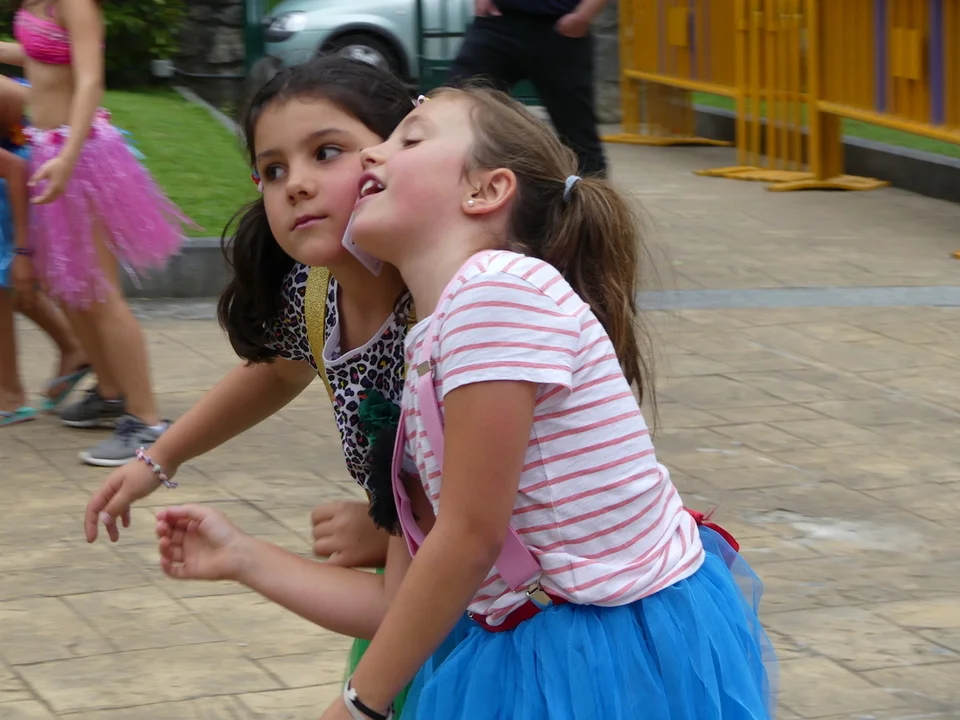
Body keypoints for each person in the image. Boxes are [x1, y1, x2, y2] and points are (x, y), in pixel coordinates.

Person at [154, 88, 777, 720]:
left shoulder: (494, 293)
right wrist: (243, 555)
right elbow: (423, 578)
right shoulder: (437, 331)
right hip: (544, 635)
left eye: (409, 139)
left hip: (602, 648)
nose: (372, 154)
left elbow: (469, 537)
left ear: (485, 191)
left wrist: (358, 705)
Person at [84, 56, 422, 713]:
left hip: (509, 617)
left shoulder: (444, 314)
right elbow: (276, 371)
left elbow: (470, 536)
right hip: (421, 584)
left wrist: (388, 532)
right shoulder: (316, 292)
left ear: (402, 152)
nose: (296, 185)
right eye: (273, 169)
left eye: (326, 152)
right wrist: (159, 457)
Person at [0, 0, 192, 464]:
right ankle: (110, 392)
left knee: (101, 293)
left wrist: (68, 158)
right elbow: (38, 54)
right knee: (71, 290)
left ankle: (146, 422)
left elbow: (90, 80)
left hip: (81, 155)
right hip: (49, 151)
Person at [0, 73, 89, 426]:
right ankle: (73, 347)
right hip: (22, 161)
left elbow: (15, 168)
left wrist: (23, 252)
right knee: (10, 283)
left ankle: (8, 395)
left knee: (7, 280)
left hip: (35, 171)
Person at [446, 0, 608, 177]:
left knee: (578, 133)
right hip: (498, 22)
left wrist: (584, 15)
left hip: (561, 28)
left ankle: (593, 192)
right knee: (454, 105)